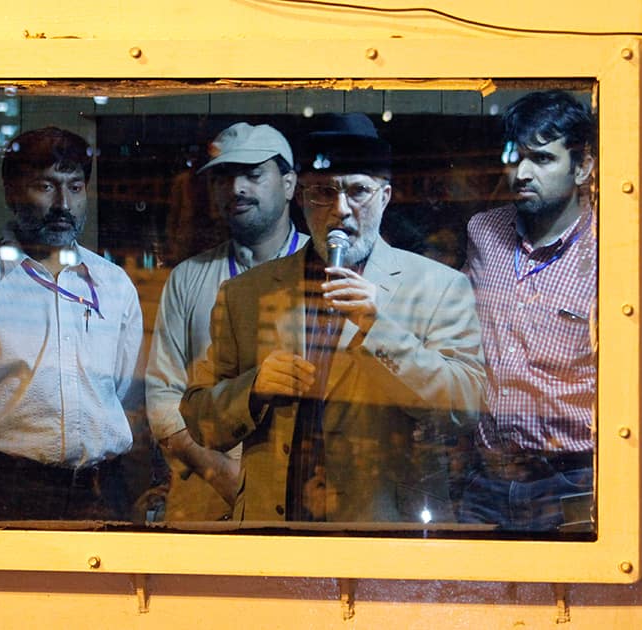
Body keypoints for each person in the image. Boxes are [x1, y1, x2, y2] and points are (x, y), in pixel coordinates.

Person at [181, 113, 485, 524]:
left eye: (358, 191)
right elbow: (201, 422)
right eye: (323, 193)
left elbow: (464, 408)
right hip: (275, 532)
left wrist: (378, 327)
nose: (340, 211)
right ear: (302, 199)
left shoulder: (438, 286)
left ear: (385, 196)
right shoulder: (245, 293)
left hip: (384, 532)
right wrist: (253, 389)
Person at [0, 127, 144, 522]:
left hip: (102, 493)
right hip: (13, 491)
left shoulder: (114, 285)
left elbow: (126, 397)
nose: (63, 204)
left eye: (75, 187)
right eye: (46, 186)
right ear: (13, 192)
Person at [146, 123, 308, 521]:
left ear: (289, 184)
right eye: (224, 178)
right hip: (204, 496)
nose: (236, 188)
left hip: (305, 494)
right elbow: (162, 395)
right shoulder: (187, 277)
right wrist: (220, 471)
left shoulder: (322, 270)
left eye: (253, 175)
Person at [459, 91, 597, 532]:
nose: (521, 173)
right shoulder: (484, 233)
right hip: (486, 477)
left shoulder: (608, 249)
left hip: (573, 477)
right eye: (514, 157)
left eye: (541, 159)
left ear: (583, 167)